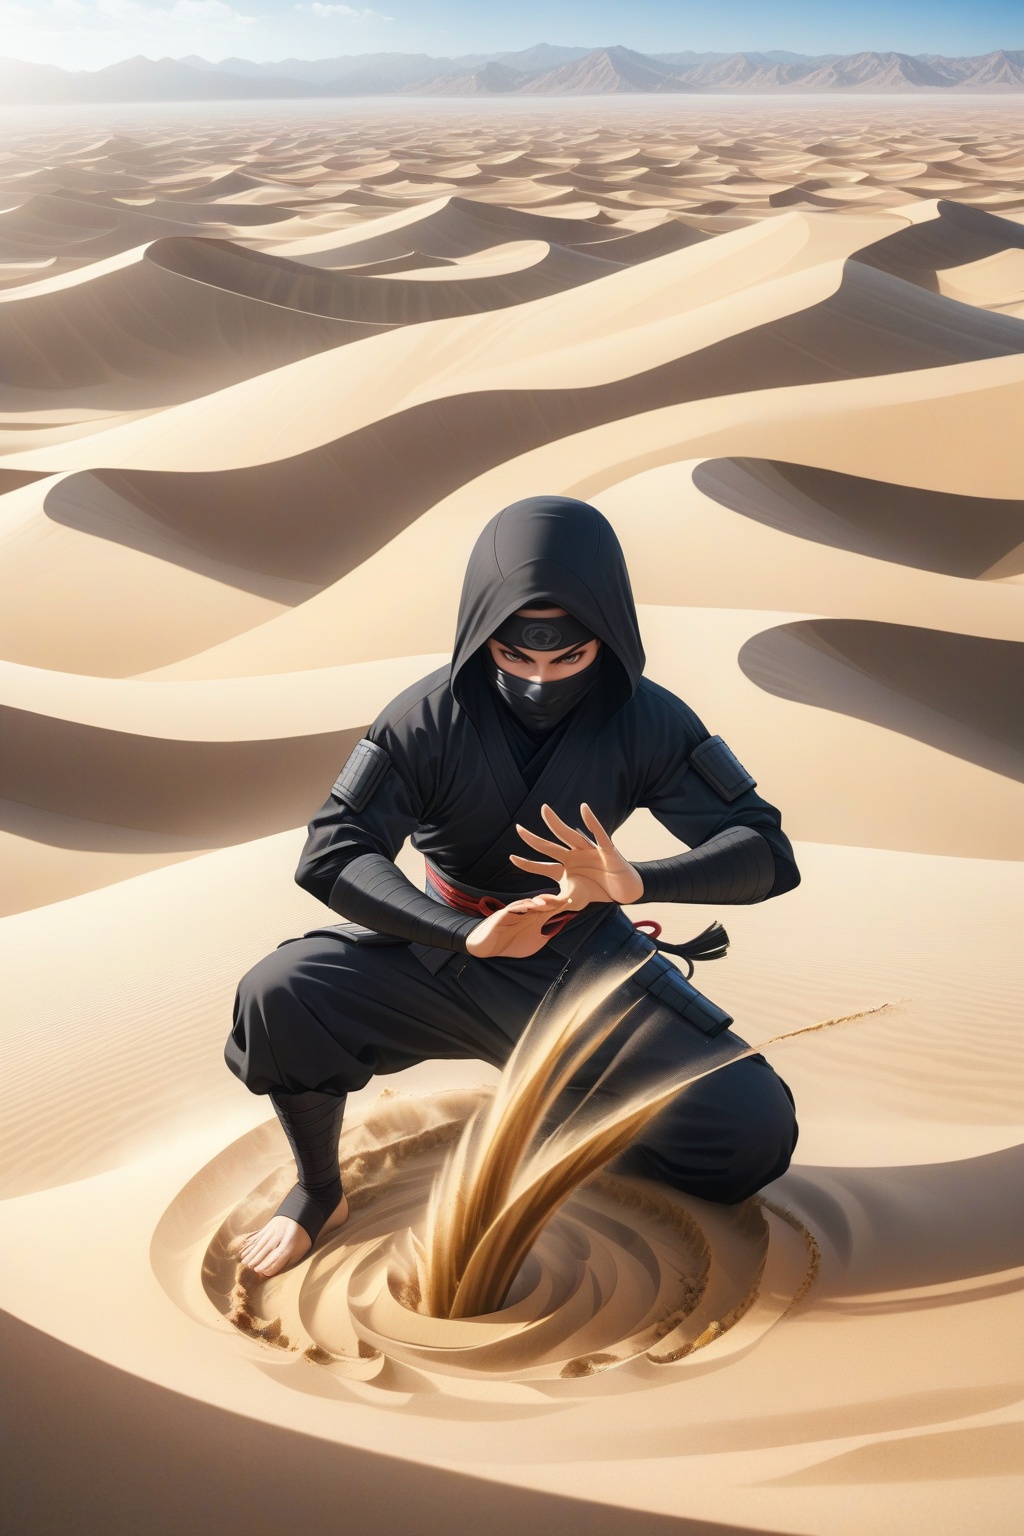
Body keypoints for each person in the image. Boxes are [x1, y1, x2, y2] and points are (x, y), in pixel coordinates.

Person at [227, 496, 801, 1278]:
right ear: (480, 635)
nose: (539, 680)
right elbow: (332, 852)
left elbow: (766, 849)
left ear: (609, 637)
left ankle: (576, 1114)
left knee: (752, 1135)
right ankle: (318, 1191)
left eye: (567, 659)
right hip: (444, 957)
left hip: (583, 962)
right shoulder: (421, 721)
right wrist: (463, 933)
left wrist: (638, 882)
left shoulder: (649, 720)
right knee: (279, 994)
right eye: (516, 658)